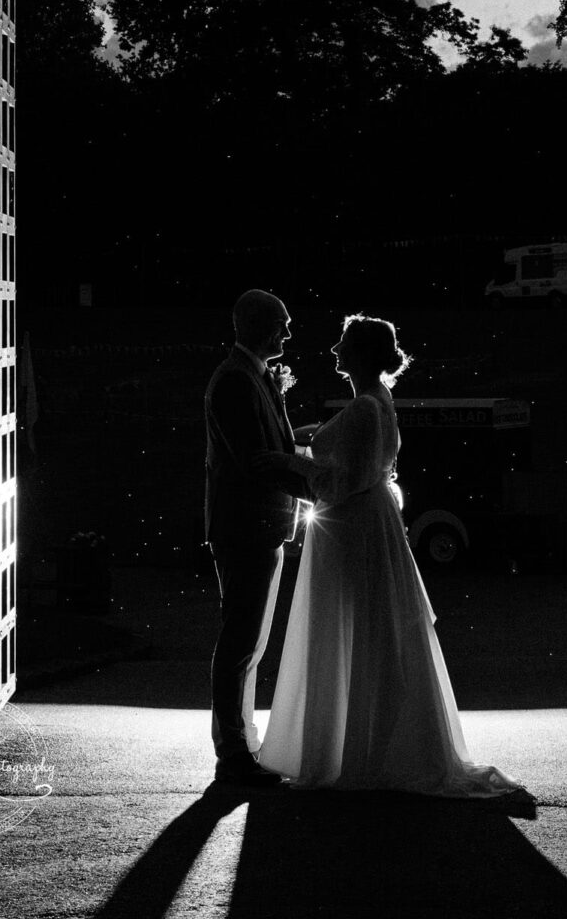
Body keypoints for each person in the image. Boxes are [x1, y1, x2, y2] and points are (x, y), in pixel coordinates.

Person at [258, 314, 528, 798]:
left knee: (353, 627)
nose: (334, 349)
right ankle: (364, 743)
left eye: (342, 342)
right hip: (366, 524)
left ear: (360, 353)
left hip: (353, 529)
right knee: (370, 629)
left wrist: (283, 464)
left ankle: (355, 754)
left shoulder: (365, 407)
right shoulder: (375, 402)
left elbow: (341, 481)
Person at [204, 288, 311, 787]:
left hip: (262, 525)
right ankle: (233, 754)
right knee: (241, 642)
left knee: (251, 641)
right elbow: (255, 460)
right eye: (281, 323)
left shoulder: (255, 377)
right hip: (244, 527)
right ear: (256, 325)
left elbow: (279, 445)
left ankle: (241, 743)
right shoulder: (233, 381)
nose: (288, 333)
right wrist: (318, 488)